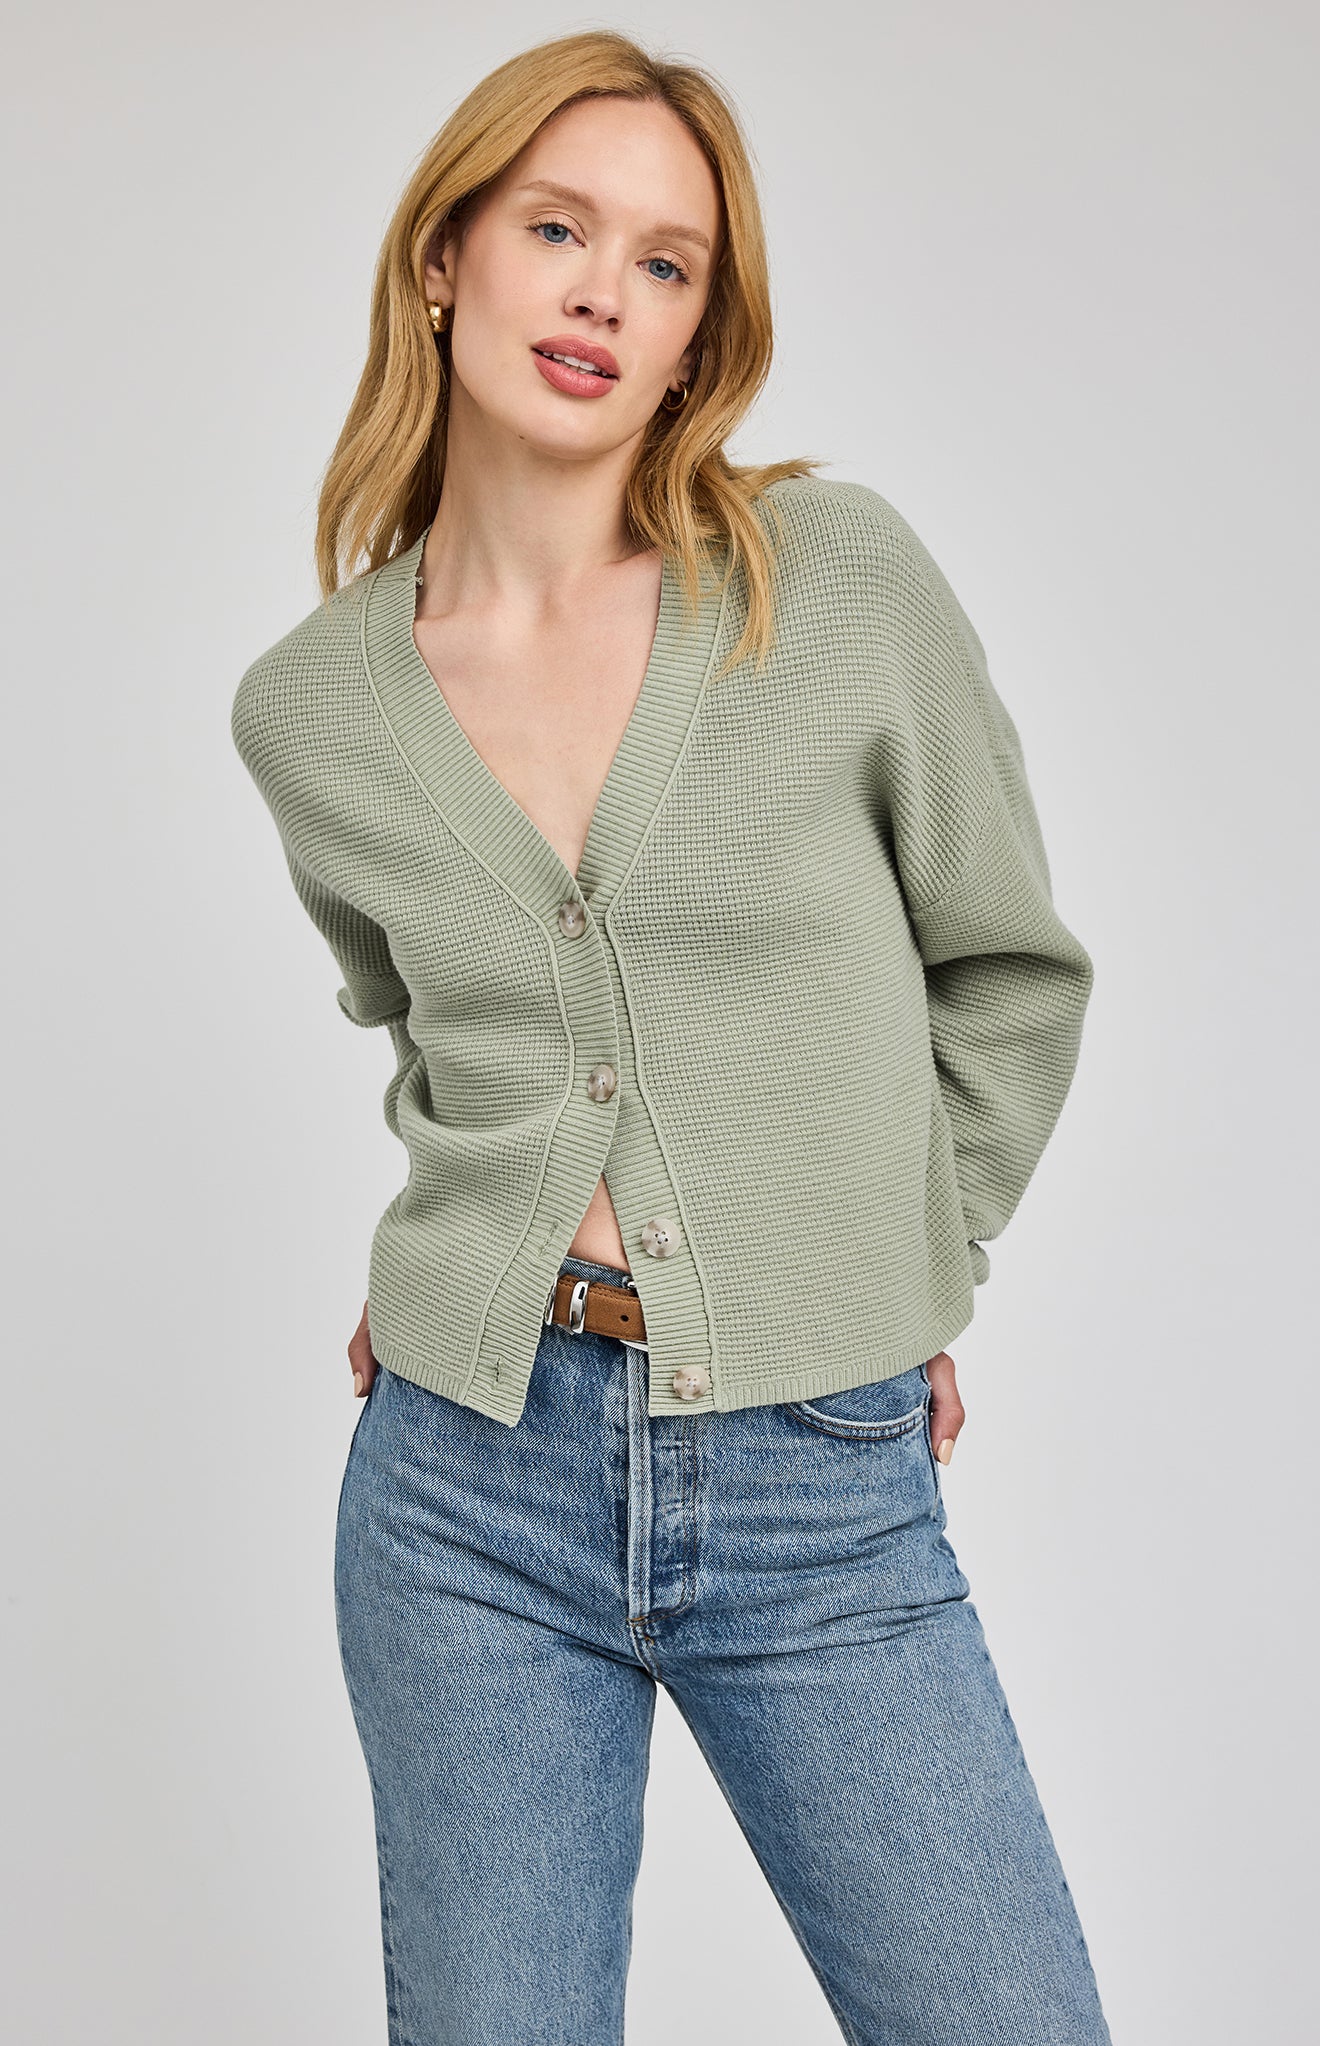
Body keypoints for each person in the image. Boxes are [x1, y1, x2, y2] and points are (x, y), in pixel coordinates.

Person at [230, 28, 1113, 2045]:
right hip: (460, 1487)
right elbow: (436, 1029)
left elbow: (1006, 973)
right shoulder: (312, 709)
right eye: (557, 229)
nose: (602, 295)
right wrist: (468, 1268)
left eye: (664, 263)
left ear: (702, 330)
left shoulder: (833, 584)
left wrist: (905, 1260)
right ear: (444, 256)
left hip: (820, 1475)